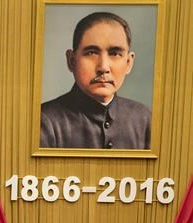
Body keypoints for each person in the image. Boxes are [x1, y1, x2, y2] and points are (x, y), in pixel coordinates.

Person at [40, 12, 151, 149]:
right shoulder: (45, 121)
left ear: (128, 63)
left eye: (115, 53)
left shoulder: (145, 118)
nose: (103, 67)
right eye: (91, 53)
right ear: (72, 61)